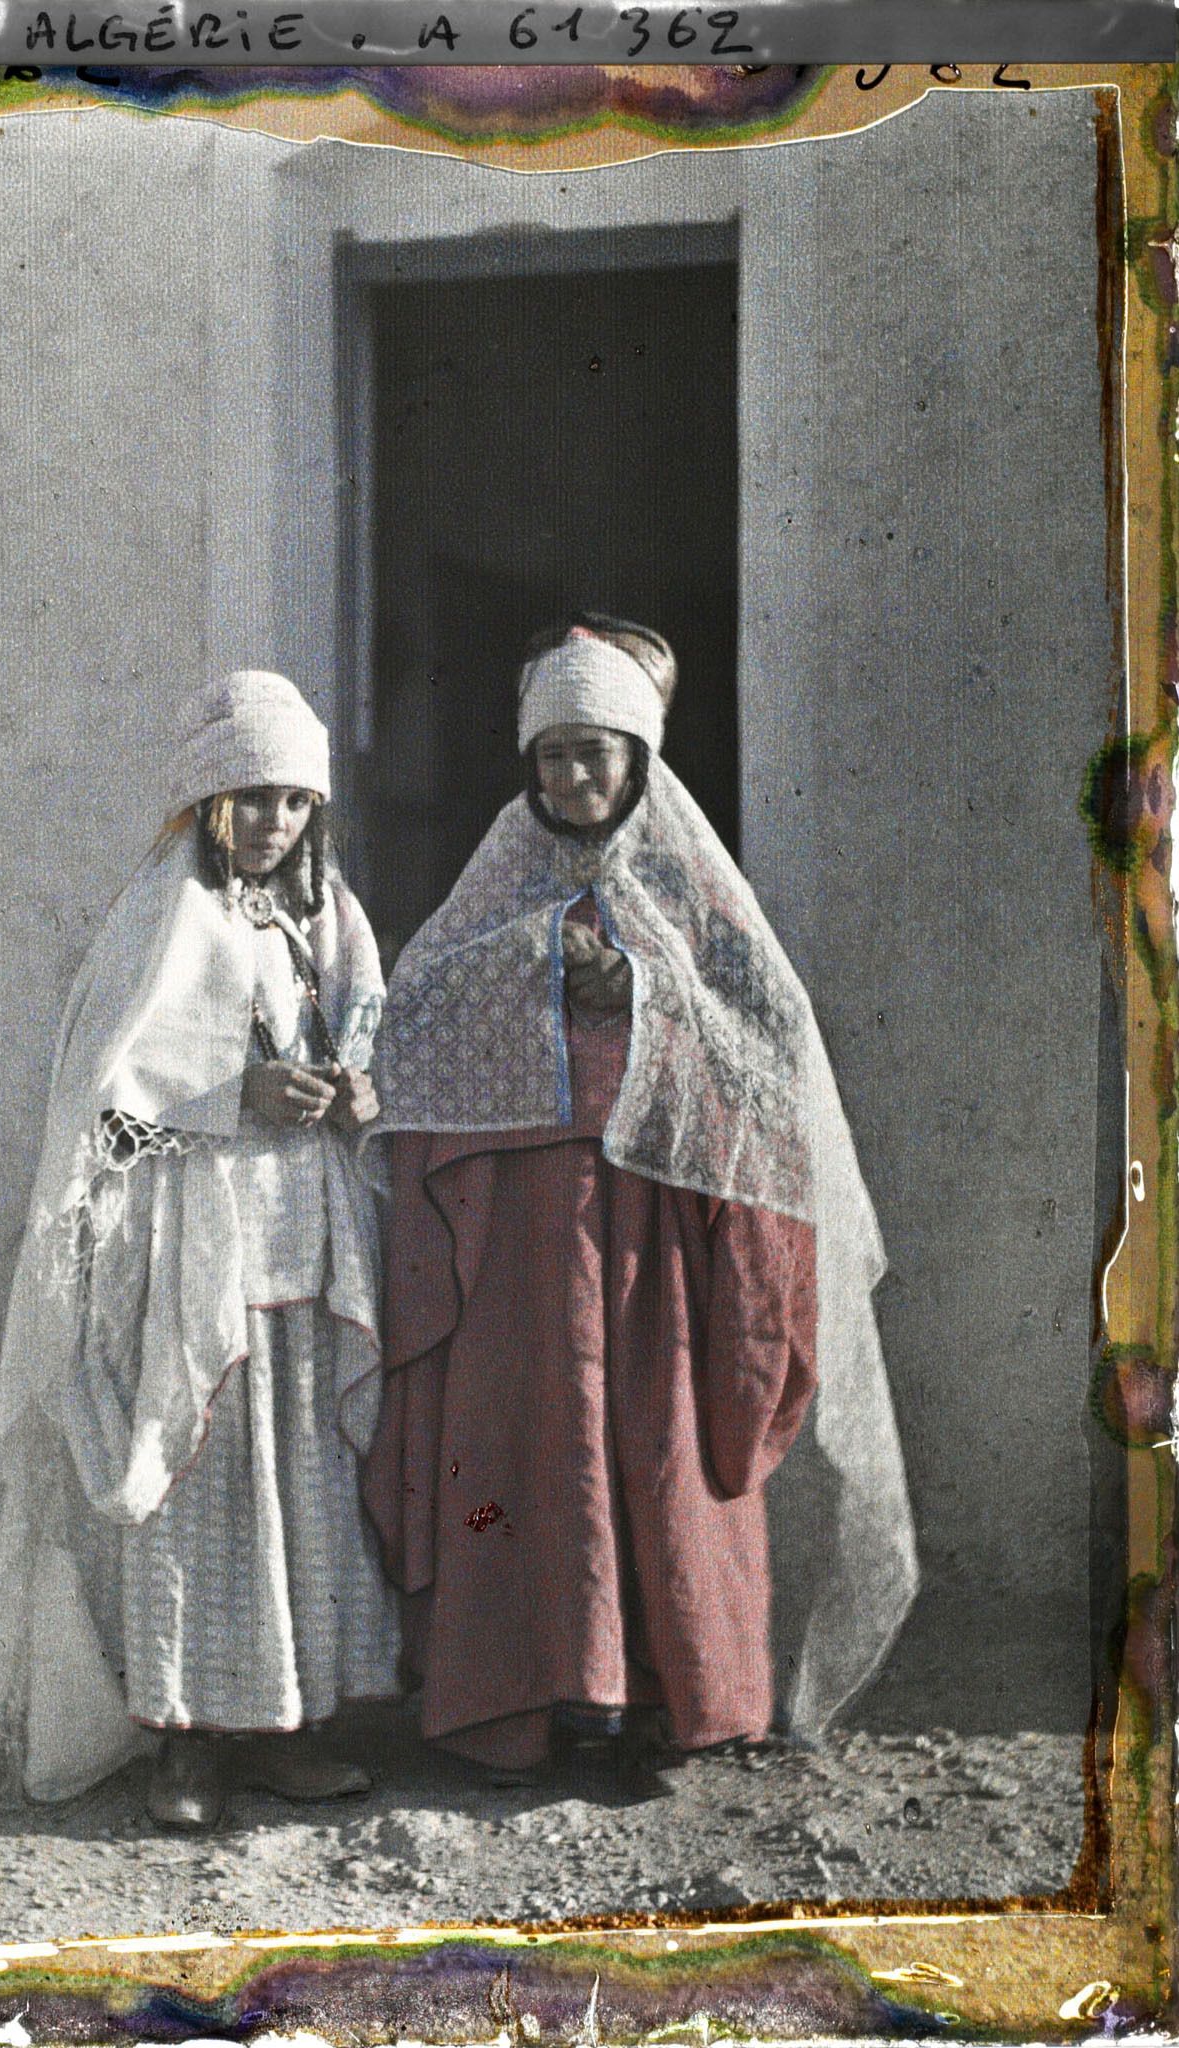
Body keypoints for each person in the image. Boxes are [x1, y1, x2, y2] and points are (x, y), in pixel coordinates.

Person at [361, 616, 918, 1780]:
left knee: (657, 1444)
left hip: (656, 1228)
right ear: (530, 765)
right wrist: (530, 966)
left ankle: (669, 1692)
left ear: (636, 762)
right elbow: (413, 1007)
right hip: (520, 1233)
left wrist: (652, 989)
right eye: (553, 754)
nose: (572, 776)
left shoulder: (689, 883)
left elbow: (770, 1047)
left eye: (595, 753)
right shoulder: (496, 878)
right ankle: (543, 1695)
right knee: (533, 1449)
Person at [0, 669, 399, 1829]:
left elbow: (368, 1032)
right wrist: (231, 1092)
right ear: (204, 802)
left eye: (295, 802)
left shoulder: (330, 919)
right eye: (249, 798)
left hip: (299, 1241)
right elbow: (103, 1114)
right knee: (195, 1487)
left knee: (299, 1485)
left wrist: (356, 1085)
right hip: (194, 1243)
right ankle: (184, 1739)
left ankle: (286, 1726)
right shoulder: (163, 918)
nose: (273, 823)